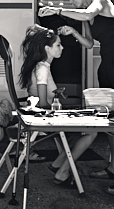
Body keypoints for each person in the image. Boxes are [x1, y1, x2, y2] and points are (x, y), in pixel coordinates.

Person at [38, 0, 114, 195]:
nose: (71, 1)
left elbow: (87, 13)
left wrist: (56, 11)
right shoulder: (85, 15)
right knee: (111, 120)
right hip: (107, 64)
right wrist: (73, 31)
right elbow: (89, 44)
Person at [18, 24, 98, 186]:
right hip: (44, 119)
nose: (62, 48)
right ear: (47, 49)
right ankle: (63, 170)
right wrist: (64, 112)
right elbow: (43, 103)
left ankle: (58, 165)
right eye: (58, 45)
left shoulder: (42, 66)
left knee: (78, 134)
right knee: (92, 132)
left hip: (41, 116)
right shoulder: (42, 68)